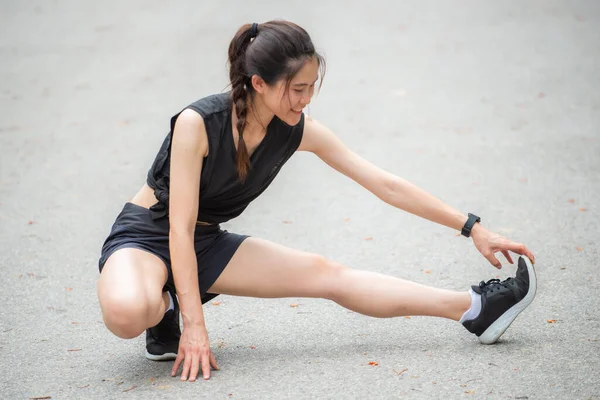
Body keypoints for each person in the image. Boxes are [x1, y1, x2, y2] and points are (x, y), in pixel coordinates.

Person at [96, 20, 537, 383]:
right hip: (149, 236)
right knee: (127, 311)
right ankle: (166, 309)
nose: (306, 100)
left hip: (203, 243)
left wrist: (472, 226)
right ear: (258, 83)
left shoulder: (297, 129)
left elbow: (385, 184)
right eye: (296, 89)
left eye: (311, 87)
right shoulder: (199, 123)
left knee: (328, 275)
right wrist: (194, 322)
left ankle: (476, 308)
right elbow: (177, 226)